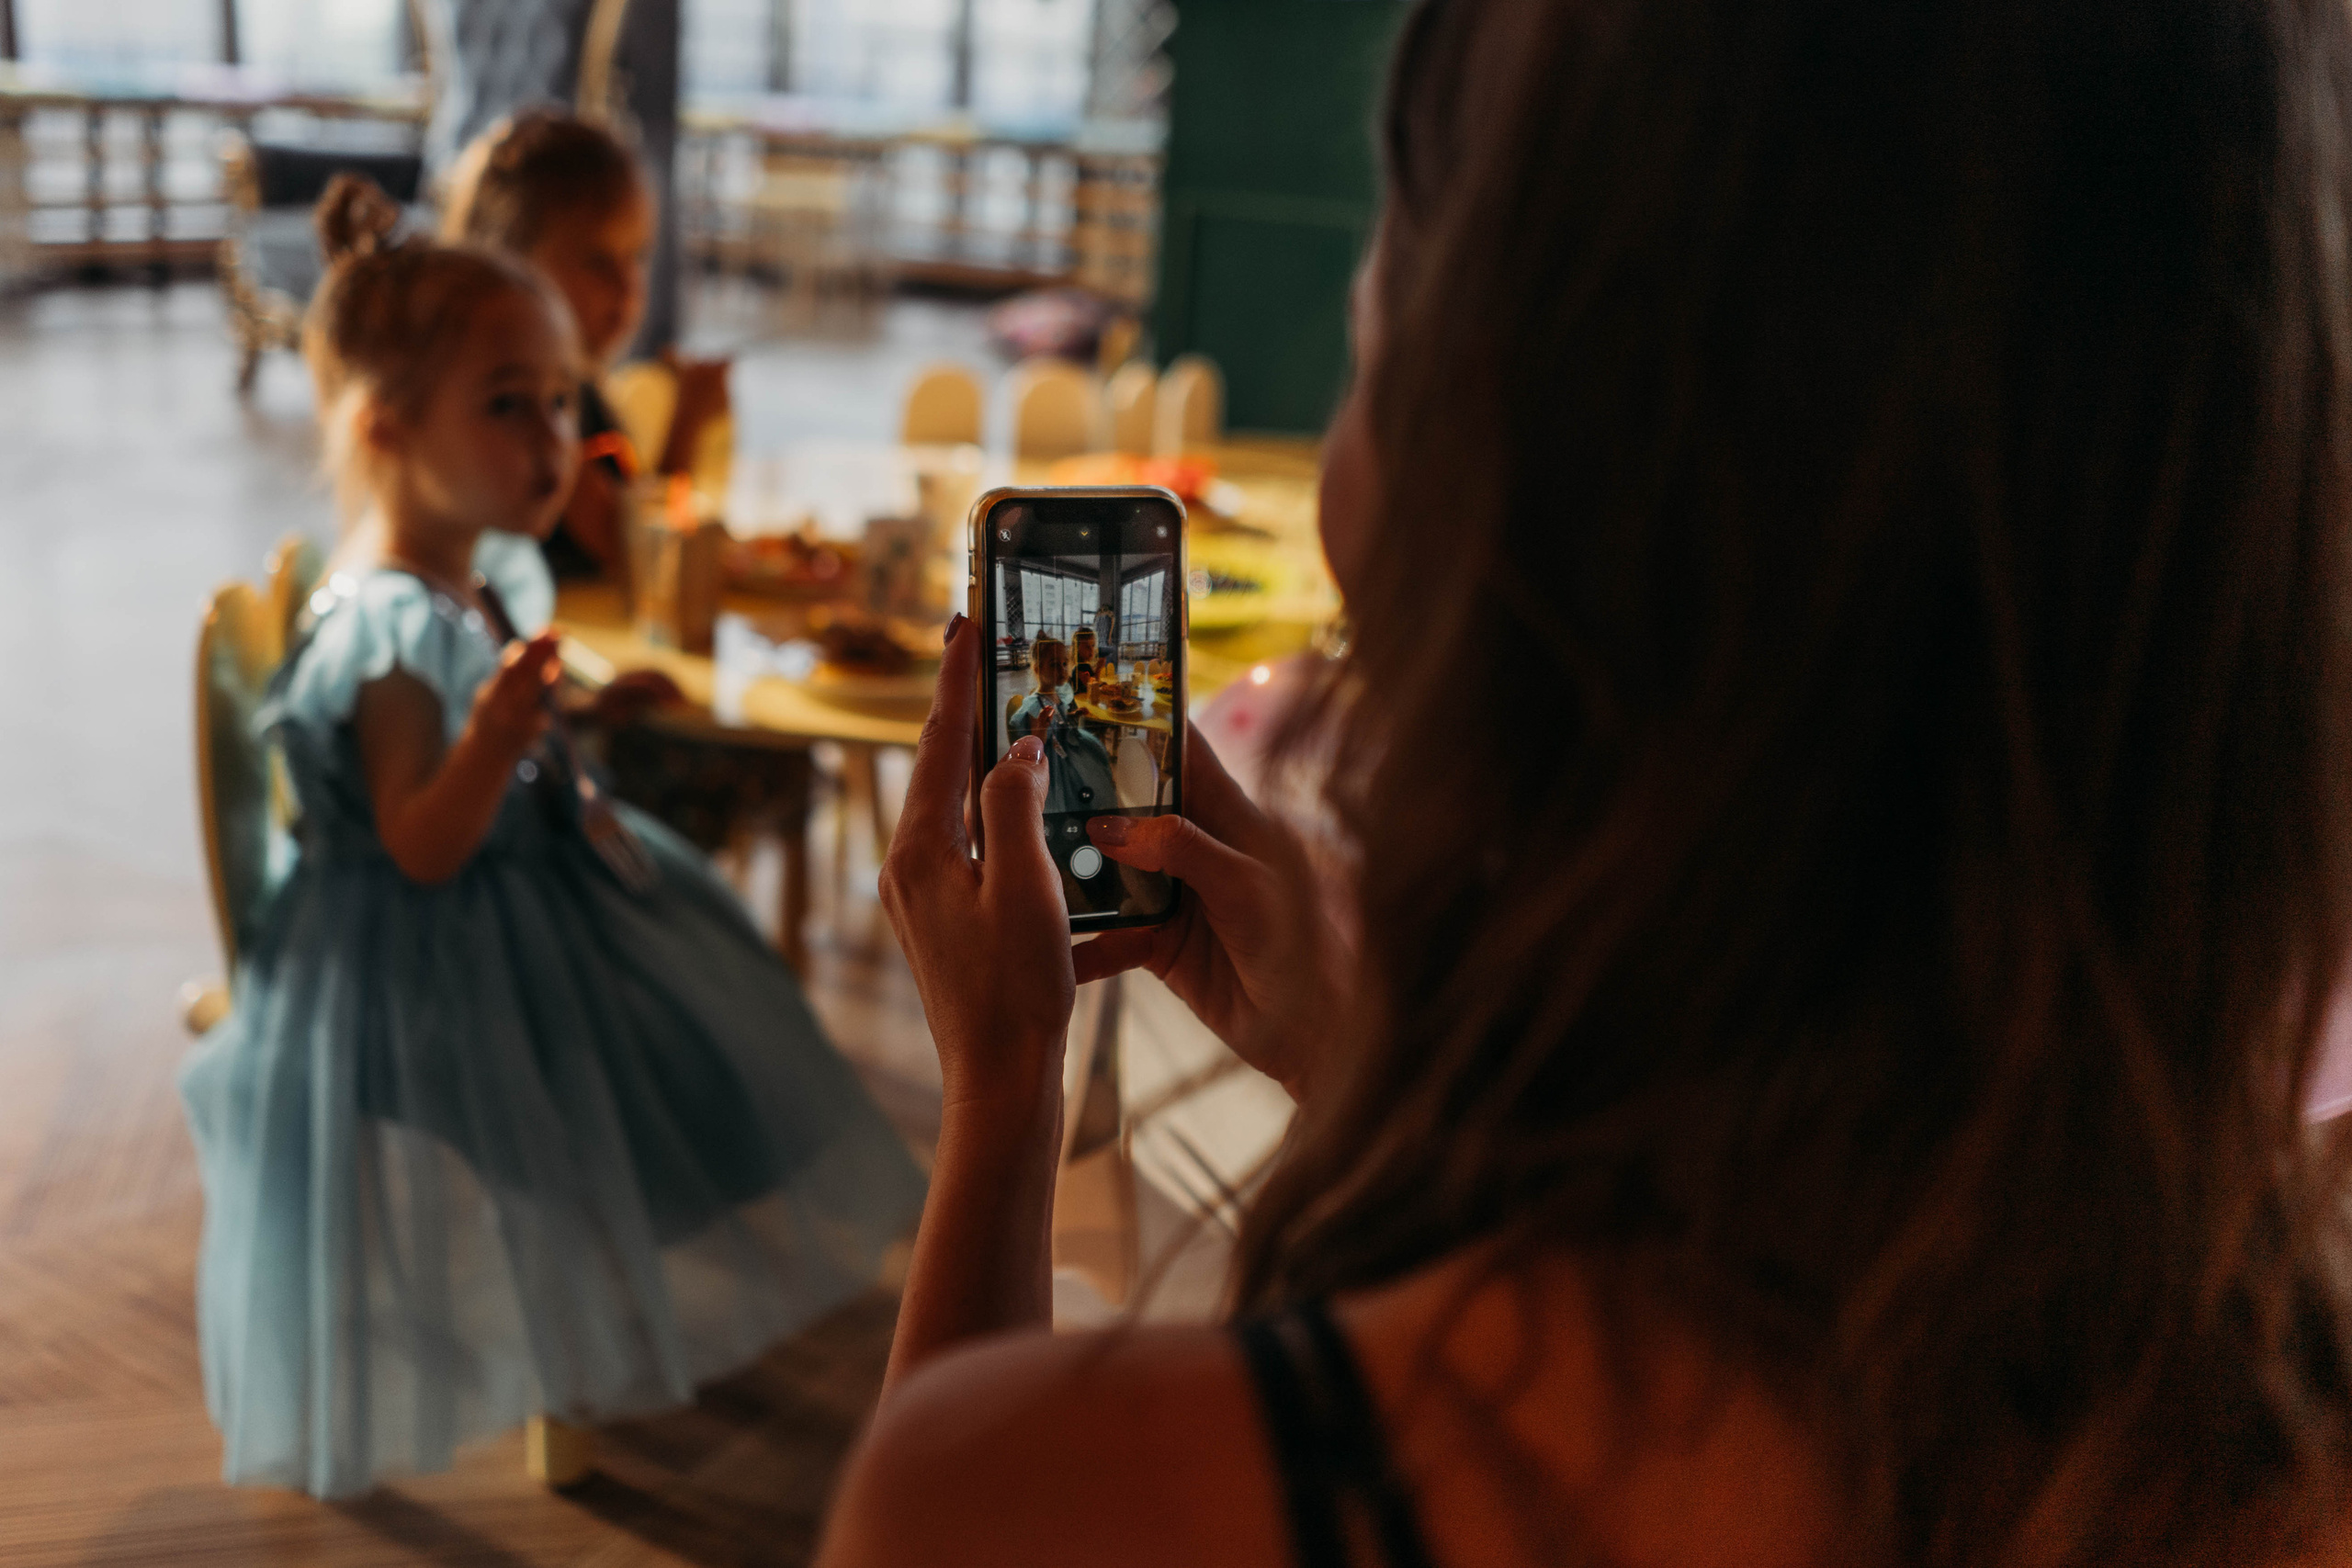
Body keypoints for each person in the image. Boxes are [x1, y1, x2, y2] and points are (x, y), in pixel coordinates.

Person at [820, 0, 2352, 1563]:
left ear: (1500, 499)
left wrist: (1006, 1091)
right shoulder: (2263, 1444)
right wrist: (1380, 1083)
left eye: (1386, 287)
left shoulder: (1098, 1487)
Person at [178, 176, 926, 1499]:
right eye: (507, 403)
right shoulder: (385, 625)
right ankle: (582, 1305)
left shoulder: (462, 571)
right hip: (416, 948)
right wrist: (499, 732)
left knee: (698, 985)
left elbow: (484, 724)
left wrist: (568, 703)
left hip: (519, 875)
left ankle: (638, 1251)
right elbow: (416, 839)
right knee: (626, 1036)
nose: (557, 438)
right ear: (388, 429)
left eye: (563, 400)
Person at [441, 107, 729, 580]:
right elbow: (636, 551)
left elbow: (635, 519)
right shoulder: (529, 404)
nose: (628, 285)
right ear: (510, 263)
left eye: (637, 256)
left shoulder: (576, 386)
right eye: (597, 261)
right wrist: (689, 420)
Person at [1009, 635, 1118, 816]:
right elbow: (1036, 743)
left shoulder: (1056, 694)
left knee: (1095, 754)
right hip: (1055, 755)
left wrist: (1074, 713)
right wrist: (1042, 728)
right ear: (1037, 669)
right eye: (1054, 665)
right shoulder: (1035, 704)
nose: (1062, 669)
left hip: (1067, 740)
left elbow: (1061, 717)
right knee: (1077, 777)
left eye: (1064, 663)